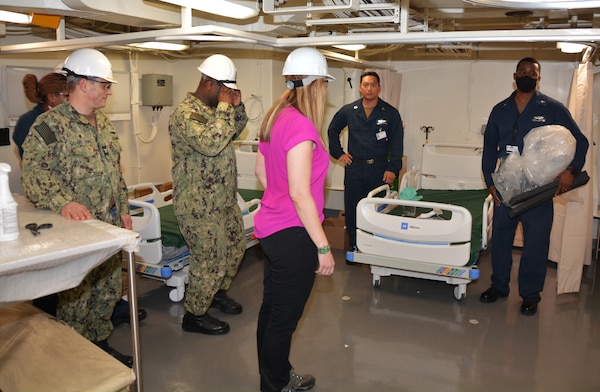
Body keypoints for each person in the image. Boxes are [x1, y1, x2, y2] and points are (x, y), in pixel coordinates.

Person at [21, 48, 134, 367]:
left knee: (107, 292)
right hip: (76, 233)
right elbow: (34, 176)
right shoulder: (50, 126)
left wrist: (124, 209)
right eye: (105, 84)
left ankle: (98, 346)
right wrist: (63, 202)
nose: (109, 91)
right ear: (83, 84)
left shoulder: (104, 125)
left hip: (108, 229)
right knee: (77, 300)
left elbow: (115, 171)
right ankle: (73, 362)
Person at [254, 47, 336, 392]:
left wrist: (278, 197)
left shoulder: (275, 117)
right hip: (295, 235)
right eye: (324, 84)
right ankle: (274, 385)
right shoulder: (302, 128)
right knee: (283, 320)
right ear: (316, 85)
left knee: (272, 311)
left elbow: (262, 172)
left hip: (271, 228)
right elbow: (301, 194)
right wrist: (323, 246)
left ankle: (276, 375)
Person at [480, 57, 589, 316]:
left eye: (533, 72)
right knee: (502, 240)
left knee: (536, 243)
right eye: (523, 71)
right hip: (507, 184)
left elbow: (580, 142)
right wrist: (490, 181)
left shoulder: (552, 108)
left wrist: (569, 170)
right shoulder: (501, 109)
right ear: (515, 75)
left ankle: (530, 294)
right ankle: (499, 286)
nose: (527, 75)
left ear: (538, 78)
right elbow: (488, 149)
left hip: (539, 187)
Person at [169, 54, 248, 335]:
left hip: (223, 200)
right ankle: (195, 314)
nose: (227, 95)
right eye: (225, 90)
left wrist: (235, 106)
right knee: (209, 259)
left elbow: (234, 130)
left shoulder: (219, 109)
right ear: (210, 83)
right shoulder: (186, 113)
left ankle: (214, 292)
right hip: (198, 205)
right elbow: (212, 144)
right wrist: (226, 107)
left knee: (235, 249)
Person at [327, 70, 404, 251]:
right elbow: (332, 130)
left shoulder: (390, 113)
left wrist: (393, 168)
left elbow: (397, 143)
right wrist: (339, 154)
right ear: (360, 88)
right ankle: (355, 245)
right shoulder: (349, 111)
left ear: (379, 88)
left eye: (373, 85)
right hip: (355, 168)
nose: (369, 88)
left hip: (379, 168)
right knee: (353, 208)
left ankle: (375, 245)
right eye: (365, 85)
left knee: (377, 208)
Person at [13, 71, 68, 158]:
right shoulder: (36, 121)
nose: (70, 100)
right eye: (67, 95)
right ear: (52, 97)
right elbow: (55, 153)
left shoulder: (61, 117)